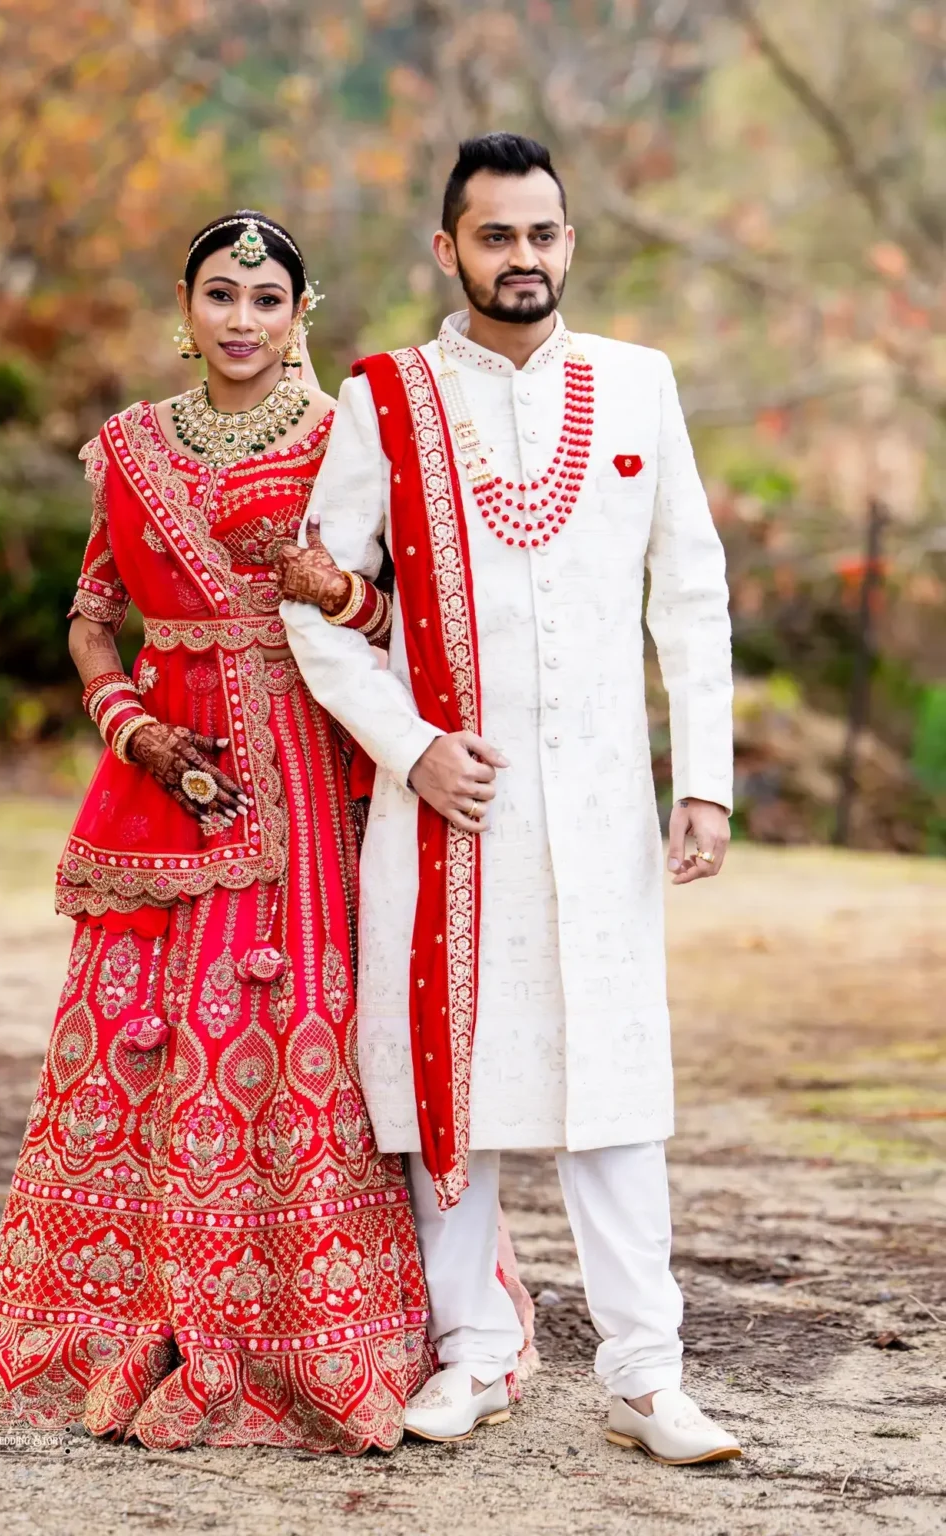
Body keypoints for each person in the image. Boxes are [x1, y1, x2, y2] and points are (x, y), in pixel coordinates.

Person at [280, 134, 742, 1465]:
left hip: (601, 808)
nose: (522, 258)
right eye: (496, 236)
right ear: (449, 249)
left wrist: (702, 778)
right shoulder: (390, 400)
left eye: (543, 234)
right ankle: (470, 1355)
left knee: (614, 1082)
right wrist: (409, 742)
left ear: (570, 245)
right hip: (448, 806)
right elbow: (321, 609)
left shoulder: (639, 388)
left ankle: (647, 1375)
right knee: (448, 1084)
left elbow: (693, 597)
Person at [0, 211, 435, 1454]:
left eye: (264, 298)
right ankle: (124, 1314)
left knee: (287, 1036)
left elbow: (405, 621)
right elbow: (91, 618)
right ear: (186, 304)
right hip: (167, 780)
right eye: (220, 295)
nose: (240, 319)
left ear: (301, 312)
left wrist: (332, 590)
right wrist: (137, 734)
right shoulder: (126, 447)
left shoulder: (348, 441)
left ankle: (301, 1326)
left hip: (306, 775)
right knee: (135, 1036)